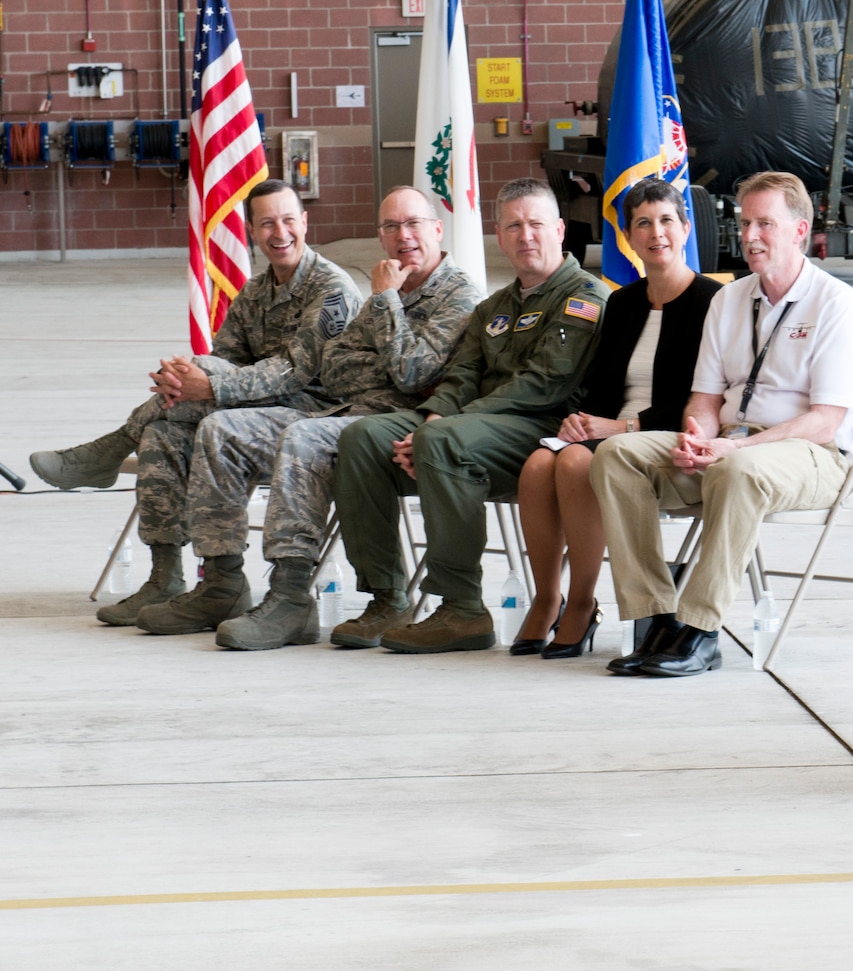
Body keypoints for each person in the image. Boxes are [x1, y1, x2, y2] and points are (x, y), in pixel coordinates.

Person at [29, 180, 361, 627]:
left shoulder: (331, 289)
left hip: (315, 414)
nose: (279, 232)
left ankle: (106, 453)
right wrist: (185, 380)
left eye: (287, 220)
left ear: (305, 222)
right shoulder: (258, 291)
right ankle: (169, 576)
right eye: (266, 223)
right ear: (252, 231)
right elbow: (226, 359)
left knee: (210, 408)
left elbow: (294, 372)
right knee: (163, 430)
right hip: (259, 407)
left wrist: (210, 386)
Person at [591, 171, 853, 678]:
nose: (749, 236)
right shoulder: (729, 299)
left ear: (799, 230)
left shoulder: (834, 303)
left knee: (736, 472)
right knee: (617, 454)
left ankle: (699, 630)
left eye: (765, 223)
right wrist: (696, 437)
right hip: (731, 448)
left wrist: (734, 450)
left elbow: (826, 421)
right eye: (744, 223)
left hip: (813, 455)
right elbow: (704, 399)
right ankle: (655, 619)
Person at [168, 187, 480, 649]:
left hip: (412, 425)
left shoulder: (458, 294)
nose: (403, 236)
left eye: (413, 224)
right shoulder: (382, 288)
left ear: (437, 229)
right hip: (346, 410)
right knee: (221, 430)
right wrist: (389, 362)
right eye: (391, 227)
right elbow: (335, 368)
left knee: (304, 439)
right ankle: (221, 583)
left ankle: (291, 597)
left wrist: (386, 305)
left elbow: (413, 374)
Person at [331, 177, 611, 653]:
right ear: (497, 236)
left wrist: (443, 431)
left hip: (546, 433)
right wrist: (434, 419)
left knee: (441, 441)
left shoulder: (584, 297)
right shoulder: (494, 308)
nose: (526, 236)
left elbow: (542, 385)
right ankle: (386, 596)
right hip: (475, 430)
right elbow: (462, 375)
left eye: (536, 225)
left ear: (560, 230)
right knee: (363, 438)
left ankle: (462, 607)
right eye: (513, 226)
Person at [511, 180, 722, 659]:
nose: (656, 232)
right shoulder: (623, 302)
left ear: (686, 228)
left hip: (668, 436)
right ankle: (548, 598)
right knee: (538, 465)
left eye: (667, 220)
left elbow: (702, 399)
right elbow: (603, 387)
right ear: (628, 236)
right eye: (643, 223)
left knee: (572, 465)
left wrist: (619, 429)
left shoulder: (712, 301)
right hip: (610, 431)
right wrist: (580, 423)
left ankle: (584, 603)